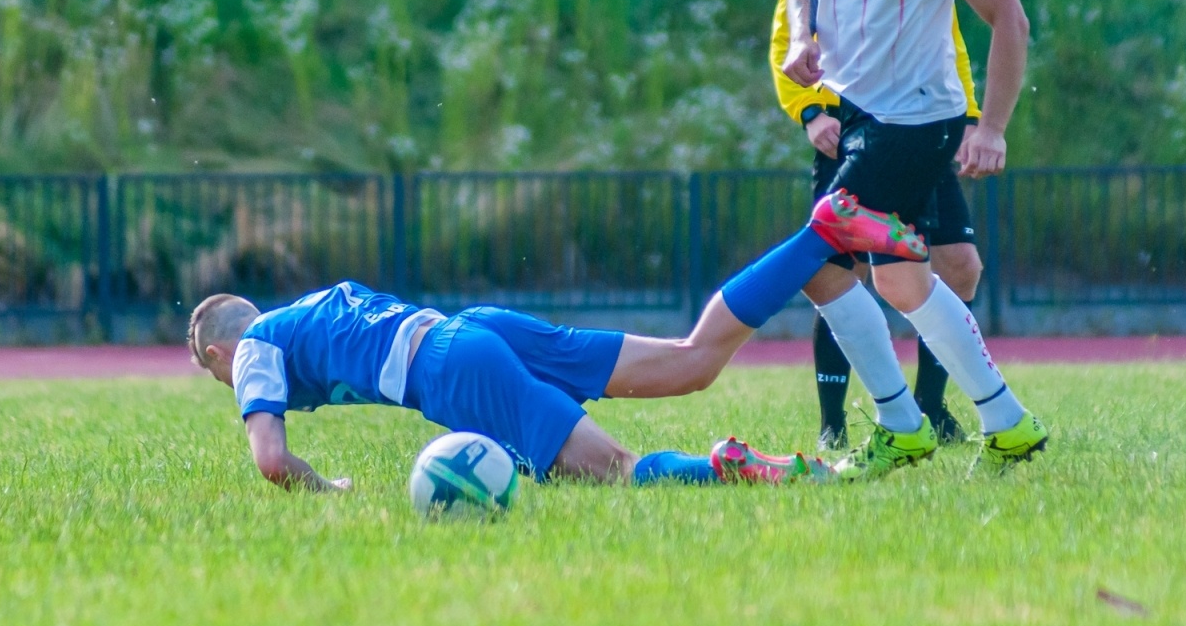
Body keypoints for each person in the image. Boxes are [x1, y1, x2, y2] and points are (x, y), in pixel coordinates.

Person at [186, 190, 935, 492]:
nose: (236, 388)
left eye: (220, 379)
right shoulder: (308, 310)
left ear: (218, 356)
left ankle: (729, 469)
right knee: (692, 361)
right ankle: (819, 234)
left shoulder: (252, 349)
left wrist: (331, 491)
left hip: (451, 366)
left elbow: (271, 460)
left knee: (614, 472)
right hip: (473, 328)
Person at [779, 0, 1047, 479]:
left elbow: (1010, 20)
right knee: (894, 280)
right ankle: (1005, 422)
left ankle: (905, 425)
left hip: (915, 121)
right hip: (853, 111)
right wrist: (803, 35)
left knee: (824, 261)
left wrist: (991, 128)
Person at [769, 0, 983, 449]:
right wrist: (810, 111)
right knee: (839, 274)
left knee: (959, 265)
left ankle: (931, 406)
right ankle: (833, 424)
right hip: (850, 129)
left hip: (922, 121)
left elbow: (949, 40)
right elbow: (788, 34)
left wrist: (969, 115)